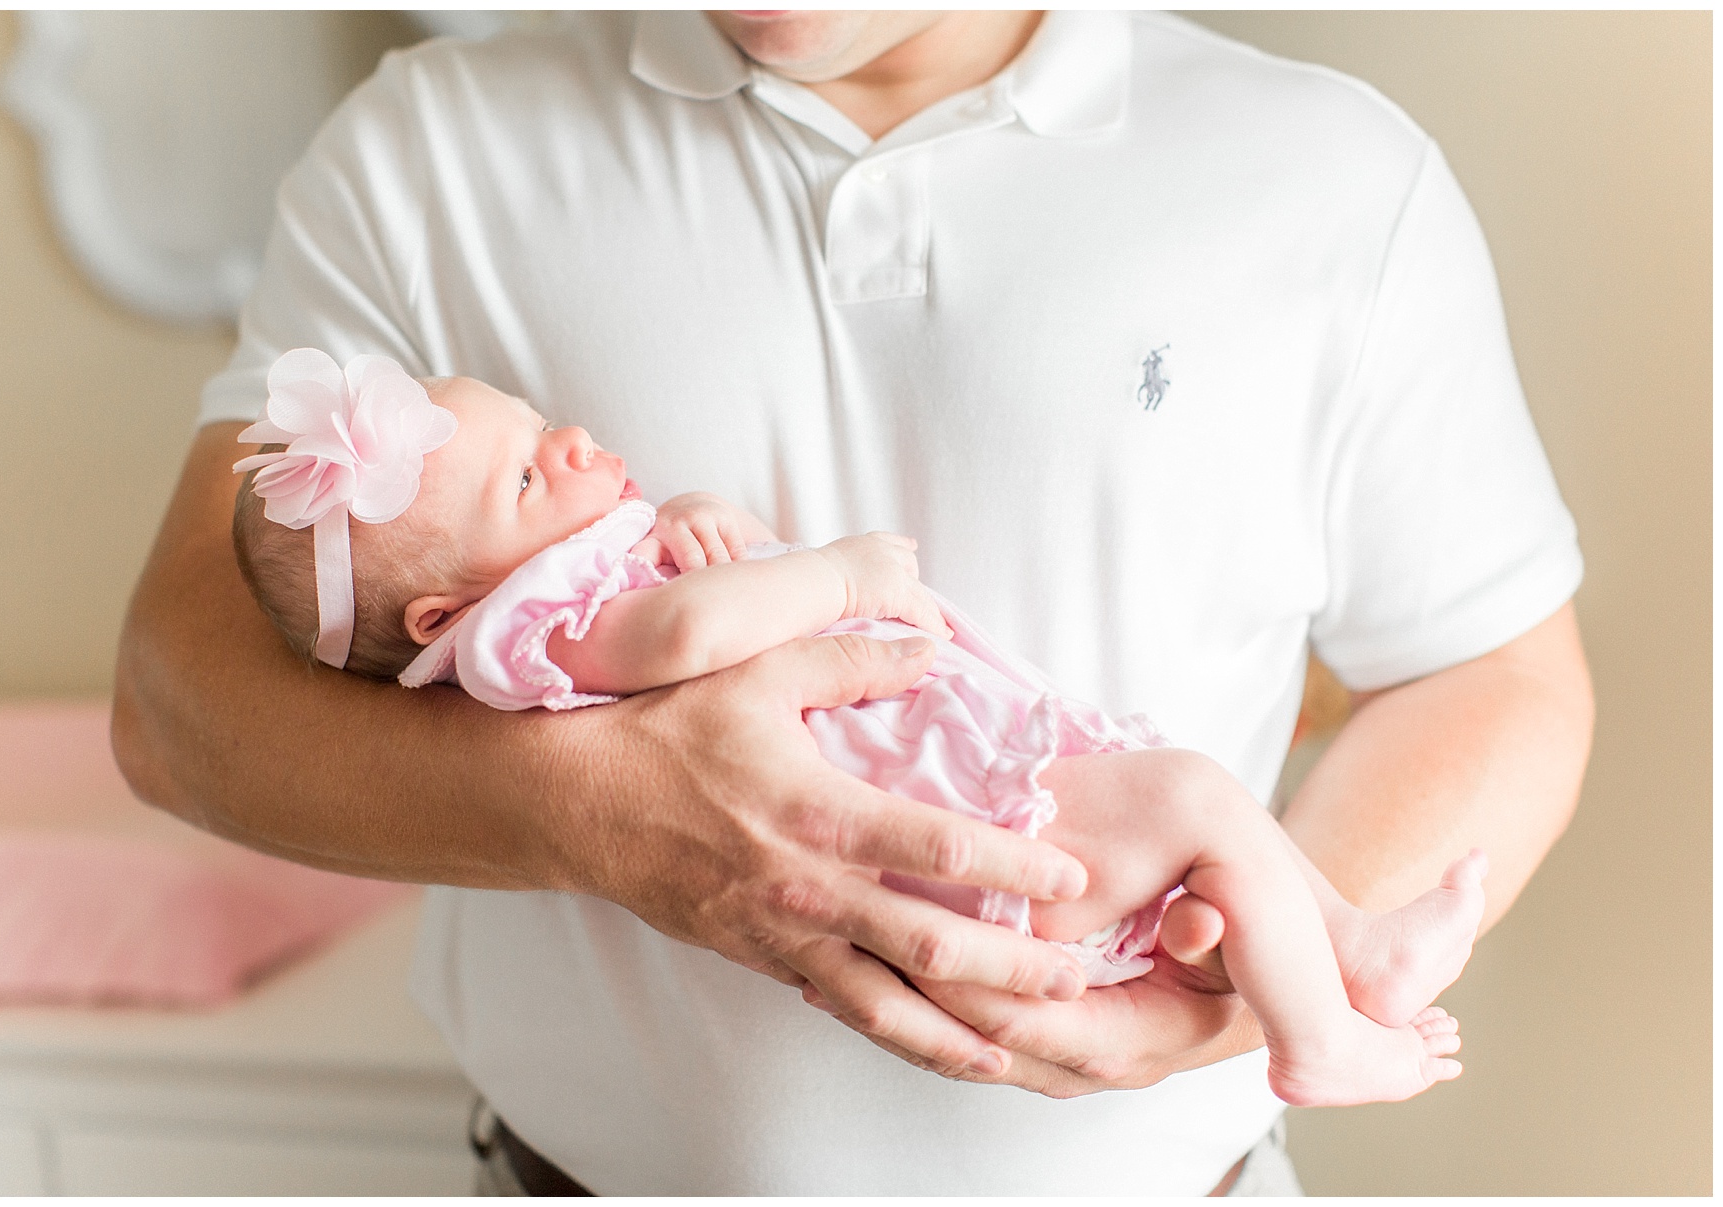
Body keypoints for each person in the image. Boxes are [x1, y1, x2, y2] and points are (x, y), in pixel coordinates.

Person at [113, 11, 1594, 1195]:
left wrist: (1230, 996)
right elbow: (183, 699)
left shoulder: (1334, 173)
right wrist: (608, 811)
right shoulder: (425, 151)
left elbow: (1497, 676)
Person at [233, 355, 1488, 1107]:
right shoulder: (519, 634)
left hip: (965, 810)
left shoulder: (570, 572)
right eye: (520, 478)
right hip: (955, 821)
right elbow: (676, 640)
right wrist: (835, 577)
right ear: (445, 611)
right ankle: (1321, 1035)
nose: (561, 444)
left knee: (1207, 864)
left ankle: (1349, 951)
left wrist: (702, 519)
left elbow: (679, 598)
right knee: (1201, 797)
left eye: (528, 420)